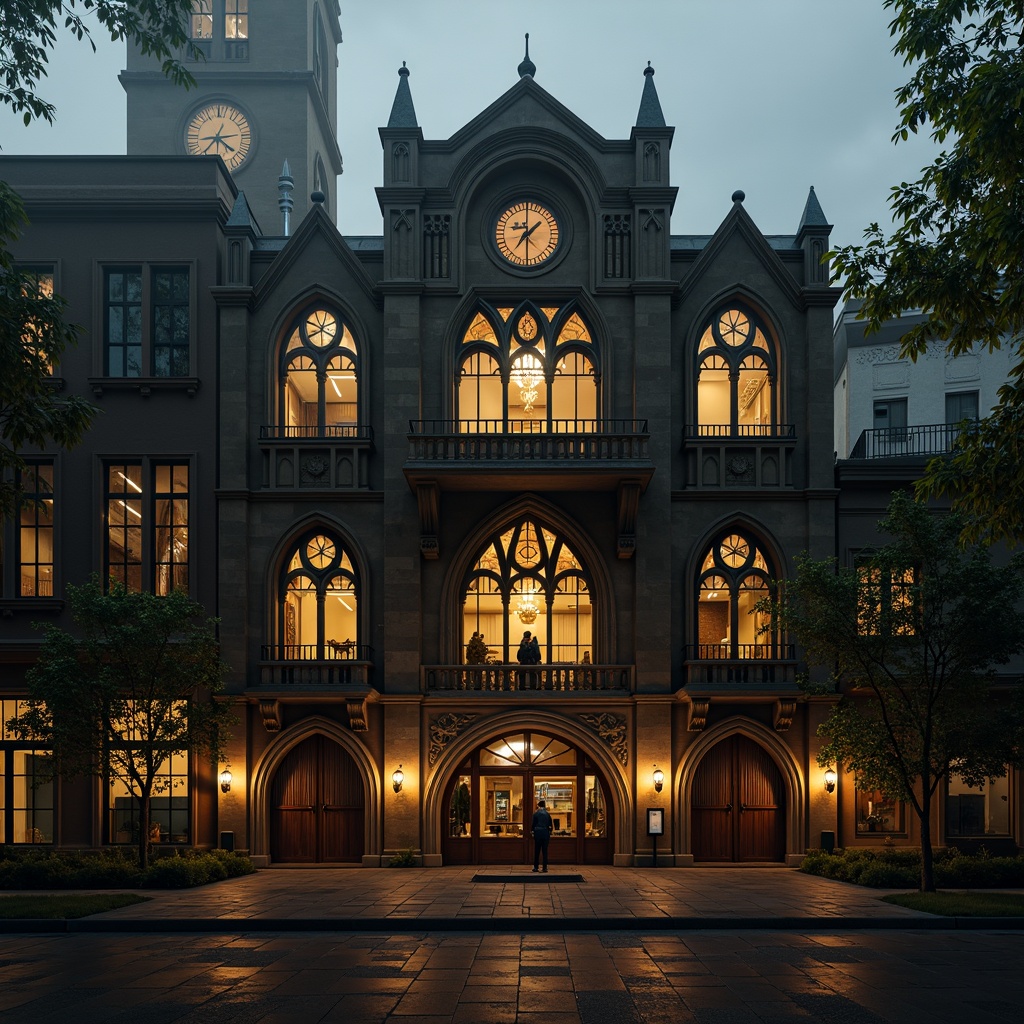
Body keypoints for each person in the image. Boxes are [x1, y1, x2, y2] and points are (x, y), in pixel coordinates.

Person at [531, 798, 553, 872]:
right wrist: (549, 831)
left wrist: (532, 832)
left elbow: (533, 824)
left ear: (538, 806)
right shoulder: (547, 814)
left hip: (538, 833)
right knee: (545, 851)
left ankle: (536, 867)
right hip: (545, 833)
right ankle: (545, 867)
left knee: (537, 850)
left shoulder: (536, 814)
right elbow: (550, 825)